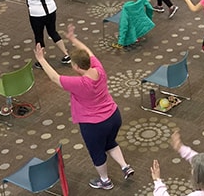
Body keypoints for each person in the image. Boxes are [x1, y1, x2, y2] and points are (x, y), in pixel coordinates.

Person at [34, 25, 135, 190]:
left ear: (77, 67)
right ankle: (125, 166)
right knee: (110, 142)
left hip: (94, 125)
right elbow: (88, 52)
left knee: (97, 153)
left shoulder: (80, 83)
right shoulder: (98, 69)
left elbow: (54, 77)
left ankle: (105, 181)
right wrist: (73, 39)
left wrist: (41, 59)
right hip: (114, 116)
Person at [151, 131, 204, 196]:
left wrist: (157, 181)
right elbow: (199, 162)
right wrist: (180, 148)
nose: (191, 170)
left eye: (193, 168)